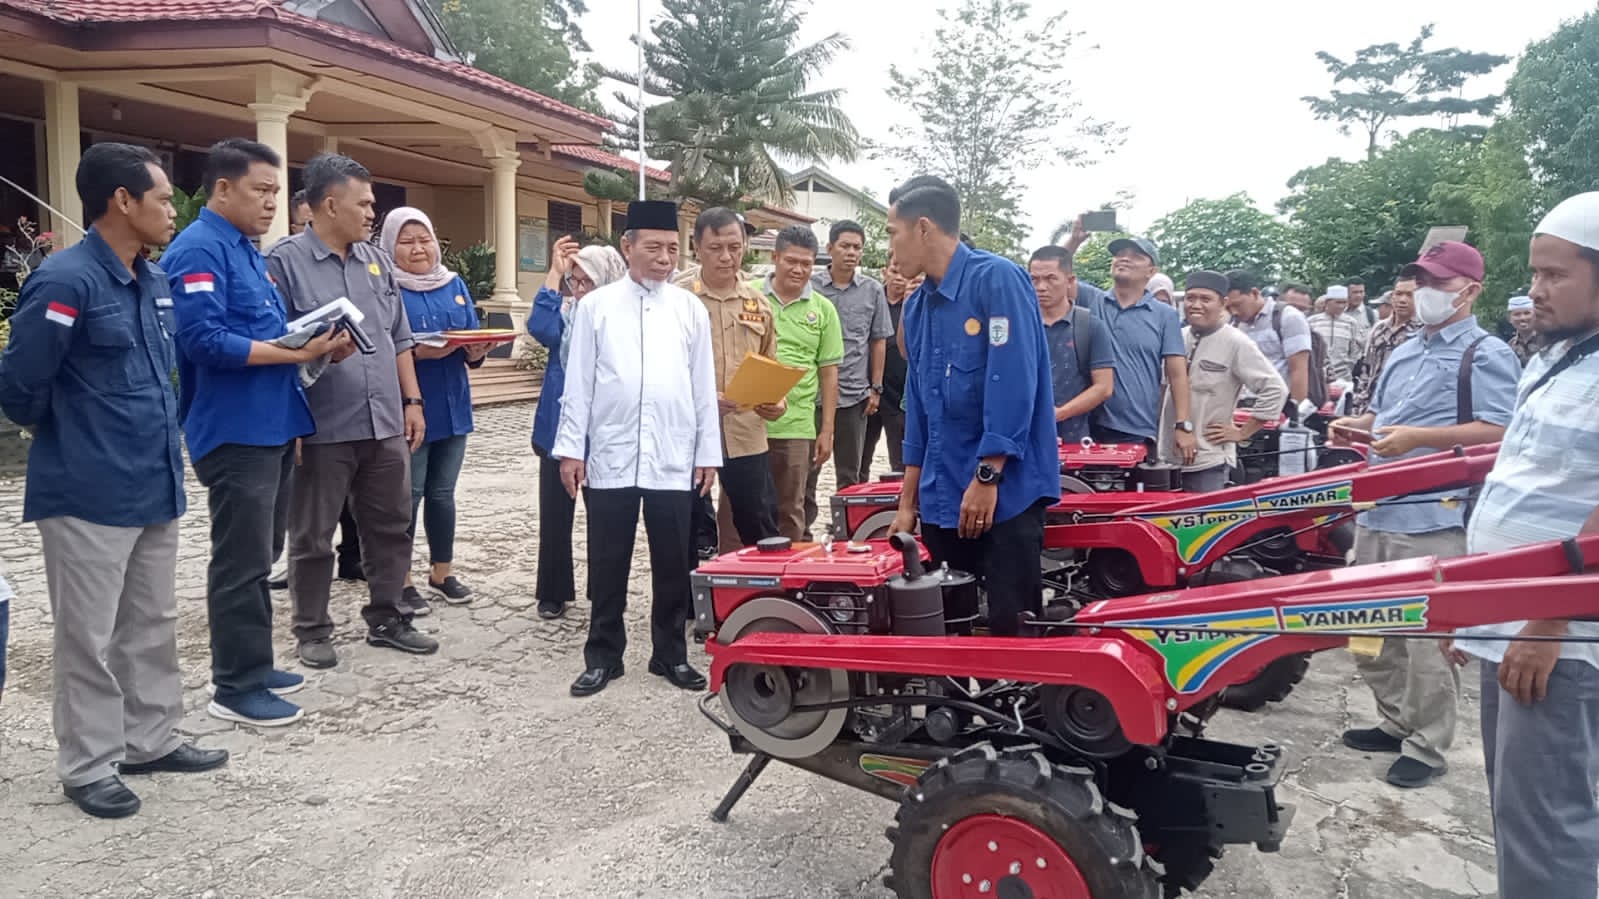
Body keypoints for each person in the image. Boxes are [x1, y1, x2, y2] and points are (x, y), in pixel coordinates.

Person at [0, 142, 229, 818]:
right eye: (161, 199)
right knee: (87, 636)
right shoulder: (66, 281)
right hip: (87, 487)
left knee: (151, 622)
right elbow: (20, 385)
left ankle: (149, 738)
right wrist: (75, 433)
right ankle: (89, 763)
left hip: (152, 478)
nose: (171, 211)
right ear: (121, 201)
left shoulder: (151, 280)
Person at [162, 138, 350, 727]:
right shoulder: (197, 251)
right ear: (222, 188)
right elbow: (204, 342)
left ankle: (255, 662)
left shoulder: (244, 251)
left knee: (262, 555)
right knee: (239, 561)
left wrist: (312, 345)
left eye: (275, 192)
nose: (272, 203)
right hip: (234, 429)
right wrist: (293, 352)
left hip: (272, 423)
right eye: (260, 191)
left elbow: (266, 332)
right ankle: (236, 688)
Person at [1450, 191, 1599, 898]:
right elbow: (1525, 475)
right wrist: (1477, 611)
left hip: (1558, 639)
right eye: (1533, 273)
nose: (1534, 291)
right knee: (1515, 804)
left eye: (1552, 275)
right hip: (1511, 619)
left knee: (1546, 823)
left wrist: (1546, 622)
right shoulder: (1560, 356)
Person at [1329, 240, 1520, 789]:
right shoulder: (1407, 348)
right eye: (1421, 282)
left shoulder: (1485, 354)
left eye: (1437, 283)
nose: (1425, 294)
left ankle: (1428, 745)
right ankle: (1395, 719)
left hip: (1433, 516)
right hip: (1375, 509)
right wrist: (1358, 428)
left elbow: (1502, 432)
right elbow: (1385, 416)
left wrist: (1421, 439)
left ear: (1469, 290)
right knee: (1368, 632)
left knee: (1426, 643)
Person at [266, 153, 438, 667]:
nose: (371, 212)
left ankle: (386, 616)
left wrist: (412, 401)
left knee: (391, 522)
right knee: (314, 534)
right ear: (329, 203)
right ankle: (313, 629)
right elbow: (275, 346)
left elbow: (398, 337)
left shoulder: (375, 260)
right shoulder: (283, 262)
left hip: (383, 418)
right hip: (320, 424)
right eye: (363, 203)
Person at [554, 199, 721, 698]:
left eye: (672, 248)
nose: (665, 257)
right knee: (608, 560)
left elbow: (701, 385)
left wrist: (707, 452)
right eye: (653, 246)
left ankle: (669, 655)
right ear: (628, 247)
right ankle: (604, 655)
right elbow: (578, 383)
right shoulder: (595, 307)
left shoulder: (689, 307)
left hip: (673, 456)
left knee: (674, 560)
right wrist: (571, 449)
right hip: (611, 453)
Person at [886, 175, 1058, 636]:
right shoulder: (918, 307)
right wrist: (907, 502)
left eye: (892, 232)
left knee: (1012, 626)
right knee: (947, 624)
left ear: (923, 228)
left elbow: (1014, 382)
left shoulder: (996, 279)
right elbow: (919, 408)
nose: (890, 247)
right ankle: (955, 710)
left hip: (1006, 494)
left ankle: (1017, 708)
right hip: (943, 496)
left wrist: (988, 475)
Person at [380, 206, 491, 610]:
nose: (418, 249)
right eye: (406, 241)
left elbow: (467, 337)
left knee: (443, 494)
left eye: (424, 239)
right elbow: (384, 347)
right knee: (408, 496)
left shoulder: (453, 282)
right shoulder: (386, 286)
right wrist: (420, 355)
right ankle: (402, 578)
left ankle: (441, 571)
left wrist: (476, 351)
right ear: (390, 245)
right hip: (409, 406)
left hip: (454, 404)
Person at [528, 237, 626, 619]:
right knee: (554, 517)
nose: (579, 289)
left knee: (604, 519)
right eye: (575, 281)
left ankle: (603, 590)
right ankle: (552, 591)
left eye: (588, 282)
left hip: (604, 433)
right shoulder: (566, 316)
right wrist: (554, 273)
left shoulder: (619, 319)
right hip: (557, 430)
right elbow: (540, 327)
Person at [677, 207, 784, 556]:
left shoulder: (759, 304)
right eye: (716, 247)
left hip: (746, 435)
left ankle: (760, 600)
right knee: (691, 526)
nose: (727, 257)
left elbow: (771, 364)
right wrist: (703, 398)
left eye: (735, 247)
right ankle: (691, 605)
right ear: (696, 246)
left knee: (761, 524)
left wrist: (776, 403)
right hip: (689, 434)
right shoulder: (677, 299)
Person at [1060, 219, 1195, 456]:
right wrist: (1074, 241)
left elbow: (1177, 374)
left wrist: (1183, 424)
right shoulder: (1092, 300)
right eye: (1120, 254)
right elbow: (1058, 276)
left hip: (1136, 428)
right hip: (1086, 425)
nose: (1124, 258)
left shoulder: (1164, 315)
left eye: (1135, 256)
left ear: (1151, 271)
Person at [1158, 271, 1286, 492]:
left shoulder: (1235, 342)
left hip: (1207, 461)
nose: (1196, 305)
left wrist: (1242, 432)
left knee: (1204, 524)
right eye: (1190, 298)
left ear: (1223, 303)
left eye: (1205, 299)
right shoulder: (1177, 337)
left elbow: (1275, 389)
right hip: (1165, 458)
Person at [807, 220, 893, 531]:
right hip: (812, 396)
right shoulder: (811, 288)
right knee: (808, 470)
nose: (851, 253)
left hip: (855, 395)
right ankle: (803, 530)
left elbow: (878, 340)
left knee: (850, 473)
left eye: (857, 247)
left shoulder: (872, 290)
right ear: (829, 249)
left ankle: (848, 533)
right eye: (845, 246)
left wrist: (876, 387)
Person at [760, 226, 843, 542]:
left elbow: (829, 373)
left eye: (806, 264)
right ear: (775, 257)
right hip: (745, 424)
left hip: (796, 427)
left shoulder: (823, 310)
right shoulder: (749, 296)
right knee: (740, 507)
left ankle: (787, 584)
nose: (798, 269)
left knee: (791, 510)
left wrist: (826, 430)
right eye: (790, 261)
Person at [1028, 245, 1113, 443]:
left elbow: (1104, 387)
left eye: (1051, 278)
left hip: (1075, 438)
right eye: (1034, 279)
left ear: (1070, 281)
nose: (1041, 287)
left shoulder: (1090, 325)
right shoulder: (1017, 326)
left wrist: (1059, 414)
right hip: (1024, 437)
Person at [861, 254, 918, 476]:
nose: (898, 278)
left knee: (901, 463)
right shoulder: (872, 301)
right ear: (885, 272)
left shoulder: (914, 303)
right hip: (867, 392)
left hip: (899, 396)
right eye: (894, 271)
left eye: (904, 273)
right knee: (860, 460)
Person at [1226, 269, 1312, 414]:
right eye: (1228, 307)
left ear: (1254, 293)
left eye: (1238, 305)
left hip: (1279, 407)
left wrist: (1295, 417)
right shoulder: (1234, 324)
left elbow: (1299, 370)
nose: (1234, 312)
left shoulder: (1288, 317)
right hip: (1242, 407)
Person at [1348, 277, 1423, 416]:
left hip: (1400, 411)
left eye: (1410, 295)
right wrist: (1357, 407)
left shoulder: (1423, 332)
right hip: (1368, 408)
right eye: (1398, 294)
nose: (1402, 300)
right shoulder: (1378, 328)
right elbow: (1367, 372)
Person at [1308, 284, 1366, 382]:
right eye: (1338, 302)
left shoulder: (1351, 323)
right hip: (1317, 376)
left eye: (1344, 303)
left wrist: (1349, 366)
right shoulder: (1312, 322)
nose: (1341, 306)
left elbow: (1355, 350)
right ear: (1327, 302)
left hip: (1344, 377)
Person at [1505, 294, 1544, 364]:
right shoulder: (1509, 346)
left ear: (1536, 315)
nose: (1522, 318)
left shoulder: (1548, 341)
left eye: (1527, 313)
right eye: (1517, 314)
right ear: (1509, 319)